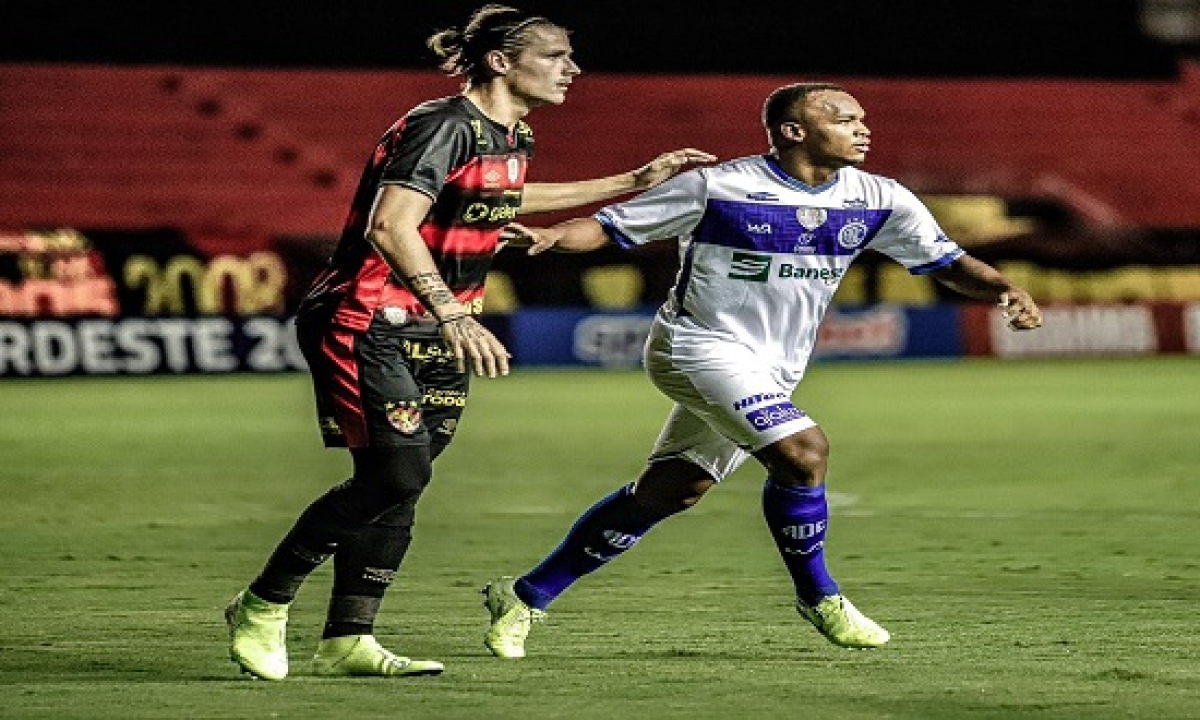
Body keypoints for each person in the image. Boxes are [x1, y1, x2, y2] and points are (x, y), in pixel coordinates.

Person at [223, 4, 714, 681]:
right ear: (501, 61)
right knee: (398, 472)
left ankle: (348, 638)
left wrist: (631, 183)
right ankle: (262, 603)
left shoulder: (512, 137)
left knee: (401, 485)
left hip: (435, 329)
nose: (573, 67)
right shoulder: (441, 125)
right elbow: (389, 226)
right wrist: (454, 311)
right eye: (556, 55)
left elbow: (508, 196)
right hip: (369, 319)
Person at [482, 82, 1043, 658]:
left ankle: (524, 595)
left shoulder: (880, 198)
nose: (863, 128)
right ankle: (821, 597)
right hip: (696, 345)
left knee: (674, 490)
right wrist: (555, 235)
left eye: (862, 119)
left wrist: (1002, 287)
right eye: (846, 119)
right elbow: (610, 226)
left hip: (775, 366)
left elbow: (944, 260)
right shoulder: (718, 186)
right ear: (794, 131)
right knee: (804, 450)